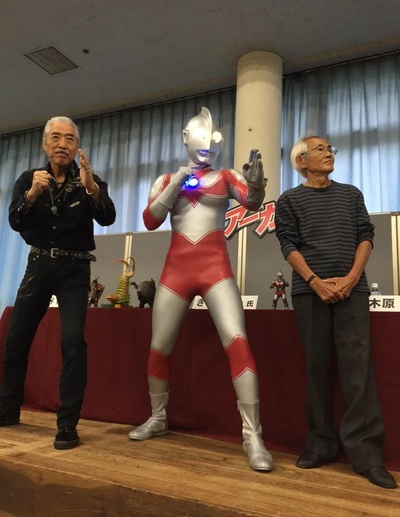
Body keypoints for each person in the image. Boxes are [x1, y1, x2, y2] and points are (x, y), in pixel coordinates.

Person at [128, 107, 273, 472]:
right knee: (159, 347)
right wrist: (177, 181)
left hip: (215, 269)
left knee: (237, 342)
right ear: (185, 137)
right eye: (202, 136)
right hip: (176, 270)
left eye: (214, 138)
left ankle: (253, 435)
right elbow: (150, 220)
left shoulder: (226, 176)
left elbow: (251, 202)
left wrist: (257, 185)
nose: (209, 144)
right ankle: (157, 417)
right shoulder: (166, 179)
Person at [274, 135, 397, 489]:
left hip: (352, 290)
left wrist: (351, 278)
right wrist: (315, 281)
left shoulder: (351, 194)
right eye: (321, 149)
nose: (329, 153)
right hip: (309, 292)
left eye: (330, 149)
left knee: (358, 370)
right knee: (317, 369)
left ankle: (367, 455)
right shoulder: (289, 200)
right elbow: (288, 244)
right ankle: (321, 445)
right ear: (301, 161)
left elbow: (365, 235)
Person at [0, 116, 116, 449]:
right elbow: (15, 220)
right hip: (38, 265)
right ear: (45, 144)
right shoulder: (29, 179)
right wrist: (32, 194)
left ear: (77, 146)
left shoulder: (89, 180)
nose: (62, 144)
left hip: (74, 269)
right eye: (55, 137)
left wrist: (91, 188)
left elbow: (107, 216)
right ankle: (7, 409)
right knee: (16, 339)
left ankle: (67, 424)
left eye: (69, 139)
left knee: (72, 341)